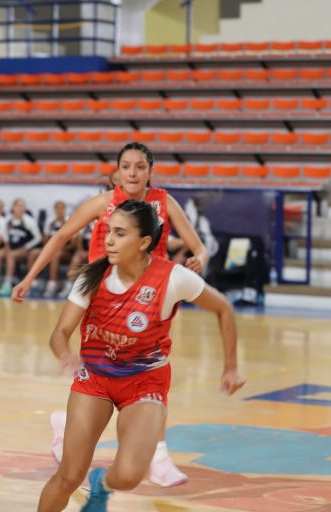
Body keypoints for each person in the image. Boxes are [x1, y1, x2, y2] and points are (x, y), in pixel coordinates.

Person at [13, 142, 210, 488]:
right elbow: (62, 235)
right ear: (117, 172)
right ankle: (149, 452)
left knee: (153, 366)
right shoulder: (103, 203)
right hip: (103, 294)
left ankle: (150, 451)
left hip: (152, 293)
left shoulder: (165, 202)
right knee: (109, 367)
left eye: (140, 167)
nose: (132, 173)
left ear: (150, 171)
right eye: (126, 166)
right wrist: (30, 277)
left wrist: (200, 259)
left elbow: (199, 246)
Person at [36, 199, 245, 512]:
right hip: (95, 378)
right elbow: (60, 332)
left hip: (145, 382)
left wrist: (231, 367)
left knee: (129, 476)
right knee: (68, 476)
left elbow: (224, 308)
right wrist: (64, 353)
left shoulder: (173, 278)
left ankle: (103, 484)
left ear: (144, 242)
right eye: (108, 231)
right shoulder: (92, 277)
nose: (108, 240)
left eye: (120, 233)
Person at [0, 198, 41, 296]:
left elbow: (38, 238)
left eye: (22, 206)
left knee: (10, 255)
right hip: (10, 247)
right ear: (13, 207)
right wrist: (7, 244)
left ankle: (7, 284)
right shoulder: (8, 219)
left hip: (24, 250)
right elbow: (4, 234)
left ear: (25, 208)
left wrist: (26, 247)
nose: (19, 208)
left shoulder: (29, 221)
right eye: (17, 206)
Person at [31, 200, 71, 298]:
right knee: (33, 253)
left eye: (61, 208)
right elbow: (45, 238)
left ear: (65, 209)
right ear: (54, 210)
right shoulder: (50, 221)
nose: (59, 210)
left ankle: (52, 284)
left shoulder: (69, 221)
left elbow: (73, 243)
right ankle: (34, 282)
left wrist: (59, 249)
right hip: (52, 248)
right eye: (57, 208)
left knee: (55, 255)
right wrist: (49, 249)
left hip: (66, 250)